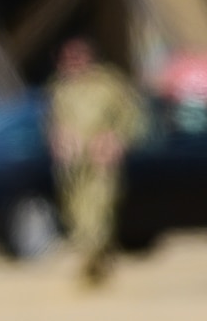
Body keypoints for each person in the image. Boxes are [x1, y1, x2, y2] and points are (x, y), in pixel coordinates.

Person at [46, 37, 143, 286]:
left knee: (99, 210)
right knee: (74, 210)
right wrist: (59, 140)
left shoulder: (109, 85)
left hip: (100, 160)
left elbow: (132, 120)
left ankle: (90, 260)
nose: (71, 63)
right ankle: (93, 262)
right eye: (67, 59)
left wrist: (116, 140)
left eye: (76, 58)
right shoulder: (60, 88)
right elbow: (55, 122)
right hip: (73, 163)